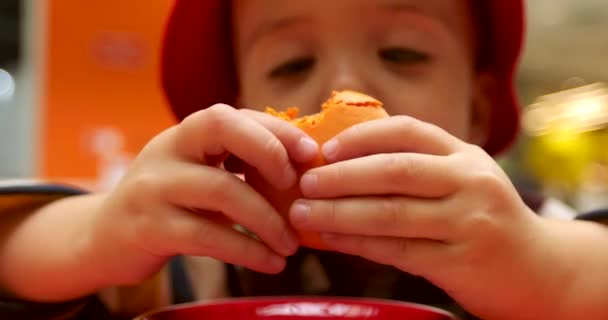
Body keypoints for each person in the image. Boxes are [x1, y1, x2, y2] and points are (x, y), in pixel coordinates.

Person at [2, 0, 608, 319]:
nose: (341, 87)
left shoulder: (524, 235)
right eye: (290, 65)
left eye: (402, 53)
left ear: (476, 110)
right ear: (237, 111)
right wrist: (95, 238)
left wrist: (551, 271)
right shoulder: (193, 253)